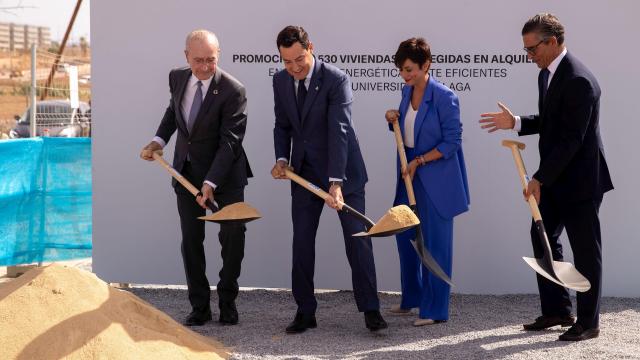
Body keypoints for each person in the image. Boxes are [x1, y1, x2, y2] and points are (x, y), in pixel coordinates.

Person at [479, 13, 613, 341]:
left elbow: (572, 139)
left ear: (552, 41)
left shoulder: (579, 79)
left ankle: (588, 322)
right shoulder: (547, 74)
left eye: (532, 48)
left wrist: (538, 177)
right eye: (526, 50)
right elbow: (551, 120)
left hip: (580, 181)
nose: (529, 56)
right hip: (556, 178)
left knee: (586, 250)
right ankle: (558, 309)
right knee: (542, 237)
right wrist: (517, 123)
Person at [270, 25, 387, 333]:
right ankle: (305, 311)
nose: (294, 68)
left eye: (299, 59)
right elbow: (282, 125)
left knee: (357, 242)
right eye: (287, 61)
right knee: (302, 243)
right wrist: (282, 159)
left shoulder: (336, 80)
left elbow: (340, 131)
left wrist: (336, 182)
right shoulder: (280, 81)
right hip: (304, 173)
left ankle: (371, 310)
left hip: (344, 173)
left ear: (311, 47)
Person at [140, 29, 252, 326]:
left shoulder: (233, 90)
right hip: (186, 171)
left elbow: (230, 142)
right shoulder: (177, 77)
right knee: (191, 240)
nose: (204, 67)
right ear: (186, 56)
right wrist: (158, 141)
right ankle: (199, 306)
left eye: (211, 60)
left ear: (219, 55)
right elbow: (172, 113)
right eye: (198, 60)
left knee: (232, 238)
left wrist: (211, 183)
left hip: (225, 176)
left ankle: (228, 300)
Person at [384, 37, 469, 326]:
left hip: (435, 179)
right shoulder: (407, 92)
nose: (405, 75)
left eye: (409, 69)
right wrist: (391, 118)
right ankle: (413, 299)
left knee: (435, 244)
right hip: (407, 176)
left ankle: (435, 311)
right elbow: (406, 129)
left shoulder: (444, 97)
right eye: (401, 70)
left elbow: (452, 142)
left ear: (426, 65)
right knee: (404, 235)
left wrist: (420, 161)